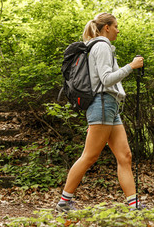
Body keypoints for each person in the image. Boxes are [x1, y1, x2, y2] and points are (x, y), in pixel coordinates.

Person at [55, 13, 145, 213]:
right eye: (116, 26)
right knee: (90, 156)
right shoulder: (102, 46)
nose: (118, 30)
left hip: (110, 106)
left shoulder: (99, 46)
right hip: (103, 103)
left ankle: (134, 205)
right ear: (106, 28)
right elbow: (106, 79)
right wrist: (131, 66)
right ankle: (64, 202)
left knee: (125, 156)